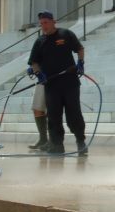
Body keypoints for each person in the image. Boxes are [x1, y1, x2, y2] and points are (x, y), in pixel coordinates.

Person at [27, 10, 87, 155]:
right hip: (51, 85)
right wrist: (38, 73)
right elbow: (34, 62)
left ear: (54, 22)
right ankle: (56, 146)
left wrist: (80, 62)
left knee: (74, 114)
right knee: (53, 116)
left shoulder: (65, 34)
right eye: (41, 24)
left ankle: (81, 142)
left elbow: (79, 48)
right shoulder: (40, 41)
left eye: (46, 22)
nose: (44, 26)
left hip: (70, 83)